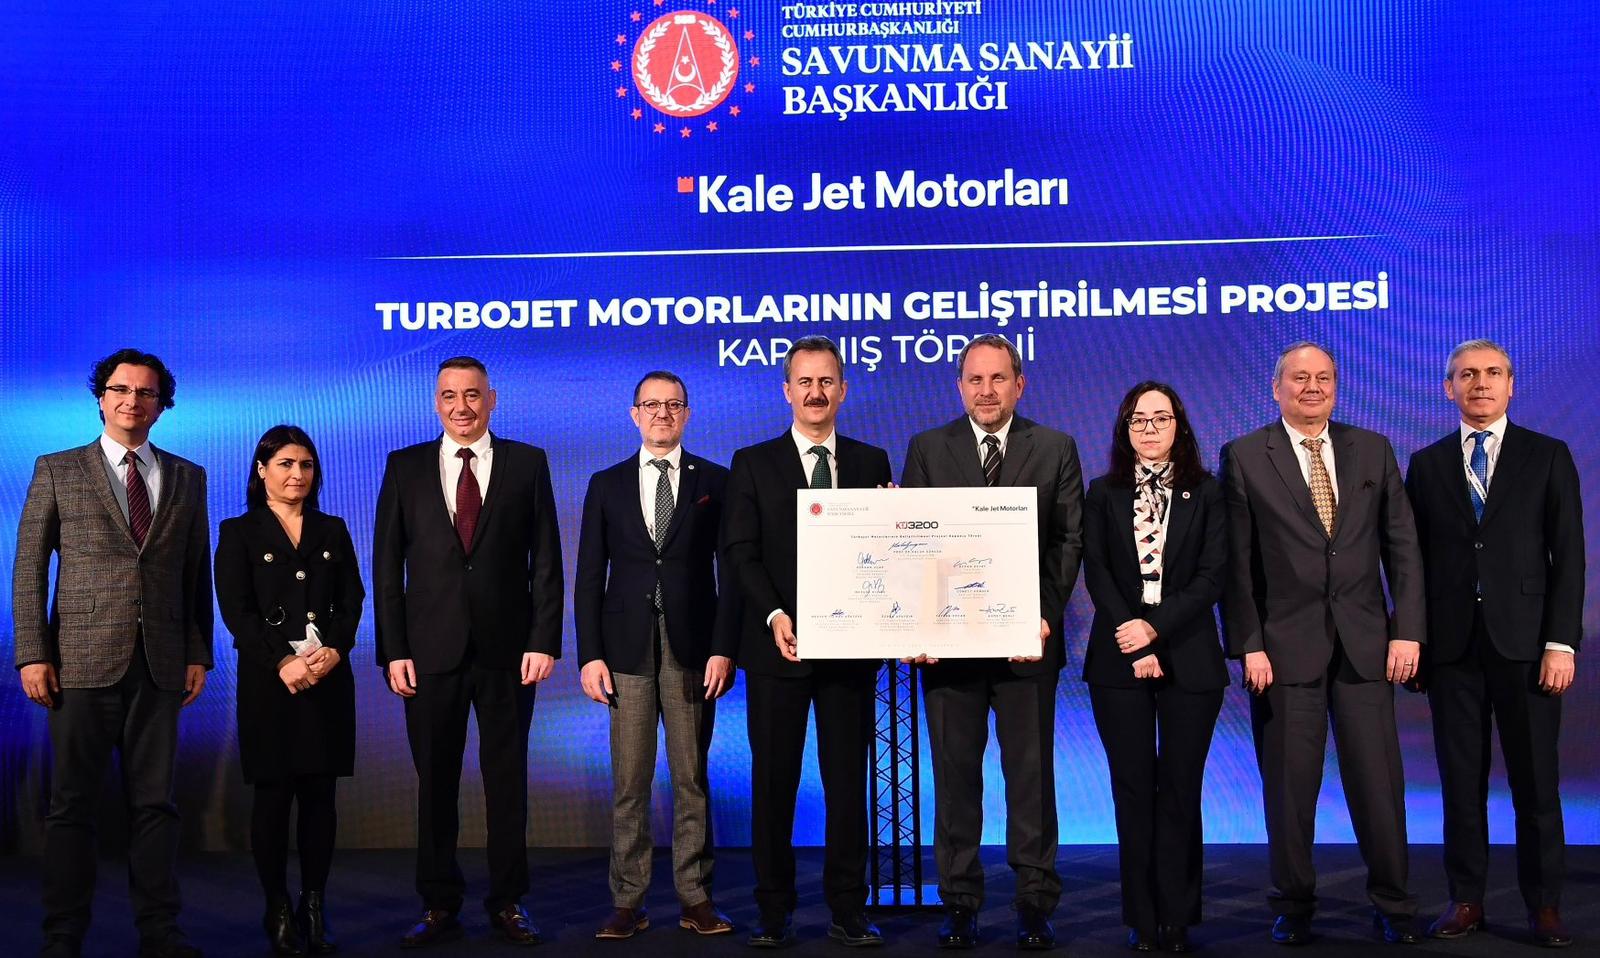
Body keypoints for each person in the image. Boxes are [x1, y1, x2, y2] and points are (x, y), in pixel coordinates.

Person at [1220, 341, 1425, 946]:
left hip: (1366, 645)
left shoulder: (1373, 448)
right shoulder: (1245, 455)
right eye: (1300, 377)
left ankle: (1394, 904)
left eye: (1324, 378)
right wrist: (1249, 643)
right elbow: (1237, 564)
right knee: (1289, 789)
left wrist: (1407, 630)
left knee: (1378, 786)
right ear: (1276, 387)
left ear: (1336, 386)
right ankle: (1293, 904)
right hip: (1282, 650)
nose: (1312, 387)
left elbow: (1403, 548)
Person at [13, 349, 212, 958]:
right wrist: (32, 653)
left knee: (156, 805)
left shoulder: (187, 476)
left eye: (146, 392)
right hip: (78, 662)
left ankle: (160, 931)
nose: (132, 400)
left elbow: (194, 573)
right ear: (101, 398)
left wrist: (198, 652)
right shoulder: (57, 469)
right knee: (71, 805)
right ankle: (63, 933)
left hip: (161, 662)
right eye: (120, 389)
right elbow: (28, 568)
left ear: (162, 405)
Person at [900, 333, 1083, 951]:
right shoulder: (928, 448)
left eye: (998, 378)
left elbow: (1067, 541)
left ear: (1019, 384)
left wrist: (1042, 616)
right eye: (975, 379)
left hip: (1026, 645)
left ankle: (1034, 900)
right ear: (959, 386)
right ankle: (959, 901)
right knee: (955, 780)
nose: (986, 390)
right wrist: (919, 625)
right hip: (949, 649)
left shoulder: (1055, 448)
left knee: (1030, 778)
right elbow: (914, 544)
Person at [373, 356, 563, 948]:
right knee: (435, 782)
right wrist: (393, 650)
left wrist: (543, 640)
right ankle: (438, 903)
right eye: (450, 396)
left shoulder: (527, 463)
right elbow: (387, 567)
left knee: (507, 783)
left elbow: (547, 560)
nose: (462, 406)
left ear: (492, 399)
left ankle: (508, 901)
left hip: (508, 653)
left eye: (473, 395)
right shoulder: (404, 466)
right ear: (436, 402)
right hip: (429, 654)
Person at [1405, 339, 1583, 948]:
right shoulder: (1426, 464)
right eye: (1466, 375)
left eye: (1492, 373)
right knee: (1460, 785)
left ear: (1511, 384)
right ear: (1448, 388)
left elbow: (1570, 555)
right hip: (1452, 651)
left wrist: (1561, 642)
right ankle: (1466, 900)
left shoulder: (1547, 454)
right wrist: (1416, 640)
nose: (1480, 383)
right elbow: (1412, 564)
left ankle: (1545, 906)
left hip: (1529, 648)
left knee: (1536, 786)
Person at [721, 335, 893, 948]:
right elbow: (740, 552)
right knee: (774, 784)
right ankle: (774, 911)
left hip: (850, 653)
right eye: (805, 382)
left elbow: (883, 554)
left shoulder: (872, 462)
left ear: (842, 390)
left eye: (826, 382)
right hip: (779, 650)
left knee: (848, 786)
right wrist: (774, 615)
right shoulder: (752, 462)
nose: (815, 393)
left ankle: (848, 908)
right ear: (787, 391)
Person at [574, 371, 737, 940]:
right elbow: (589, 575)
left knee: (692, 779)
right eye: (651, 405)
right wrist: (590, 655)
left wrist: (723, 648)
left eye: (673, 405)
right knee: (630, 782)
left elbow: (730, 574)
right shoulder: (606, 483)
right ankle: (628, 901)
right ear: (634, 414)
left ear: (687, 414)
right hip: (624, 652)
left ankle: (696, 897)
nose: (662, 414)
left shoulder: (715, 480)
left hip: (694, 650)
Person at [1081, 382, 1227, 954]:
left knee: (1180, 789)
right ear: (1125, 428)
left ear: (1178, 426)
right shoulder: (1103, 492)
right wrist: (1135, 638)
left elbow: (1212, 576)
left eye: (1160, 418)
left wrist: (1155, 630)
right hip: (1118, 657)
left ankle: (1178, 916)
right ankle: (1142, 917)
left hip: (1190, 655)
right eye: (1137, 419)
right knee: (1133, 789)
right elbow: (1097, 570)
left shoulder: (1208, 492)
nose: (1149, 428)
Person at [214, 425, 364, 955]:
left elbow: (352, 599)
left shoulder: (332, 529)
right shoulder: (239, 531)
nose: (297, 474)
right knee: (274, 798)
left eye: (306, 465)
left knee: (320, 797)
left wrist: (337, 648)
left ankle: (314, 905)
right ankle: (277, 907)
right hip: (270, 683)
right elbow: (237, 611)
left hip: (327, 679)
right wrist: (281, 660)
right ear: (262, 471)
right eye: (285, 464)